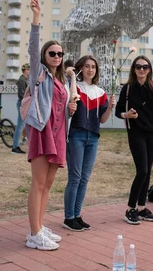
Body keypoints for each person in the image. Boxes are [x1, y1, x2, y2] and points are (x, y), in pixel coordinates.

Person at [24, 0, 77, 251]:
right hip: (42, 130)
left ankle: (39, 226)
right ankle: (34, 233)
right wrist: (36, 18)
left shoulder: (62, 81)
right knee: (37, 183)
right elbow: (33, 48)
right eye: (52, 53)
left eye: (60, 53)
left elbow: (60, 108)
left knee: (48, 184)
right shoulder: (39, 73)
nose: (57, 56)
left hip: (58, 134)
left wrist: (70, 108)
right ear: (45, 56)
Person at [115, 54, 153, 225]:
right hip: (135, 133)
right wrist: (126, 115)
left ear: (149, 70)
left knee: (148, 170)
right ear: (134, 69)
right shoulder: (127, 89)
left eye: (145, 67)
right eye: (138, 67)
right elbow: (118, 111)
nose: (142, 69)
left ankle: (141, 207)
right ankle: (130, 208)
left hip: (151, 133)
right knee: (142, 170)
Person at [63, 55, 115, 231]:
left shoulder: (100, 92)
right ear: (81, 68)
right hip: (76, 135)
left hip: (93, 137)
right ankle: (69, 217)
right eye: (86, 66)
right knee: (75, 177)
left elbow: (102, 120)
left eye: (93, 67)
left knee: (84, 178)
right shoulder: (75, 87)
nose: (90, 69)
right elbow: (70, 100)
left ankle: (77, 215)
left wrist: (109, 108)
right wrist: (71, 76)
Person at [12, 63, 30, 154]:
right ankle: (15, 147)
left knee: (26, 125)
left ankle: (17, 146)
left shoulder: (25, 79)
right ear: (26, 70)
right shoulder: (23, 80)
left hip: (24, 104)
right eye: (29, 69)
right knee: (20, 125)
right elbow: (21, 95)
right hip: (23, 104)